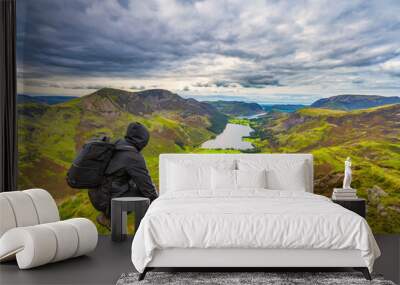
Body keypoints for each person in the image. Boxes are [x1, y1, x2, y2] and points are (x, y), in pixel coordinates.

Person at [88, 122, 158, 230]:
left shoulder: (117, 143)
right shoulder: (133, 157)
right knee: (146, 195)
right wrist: (159, 204)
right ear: (143, 141)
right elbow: (147, 188)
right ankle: (142, 230)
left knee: (131, 182)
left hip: (95, 195)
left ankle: (107, 216)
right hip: (108, 201)